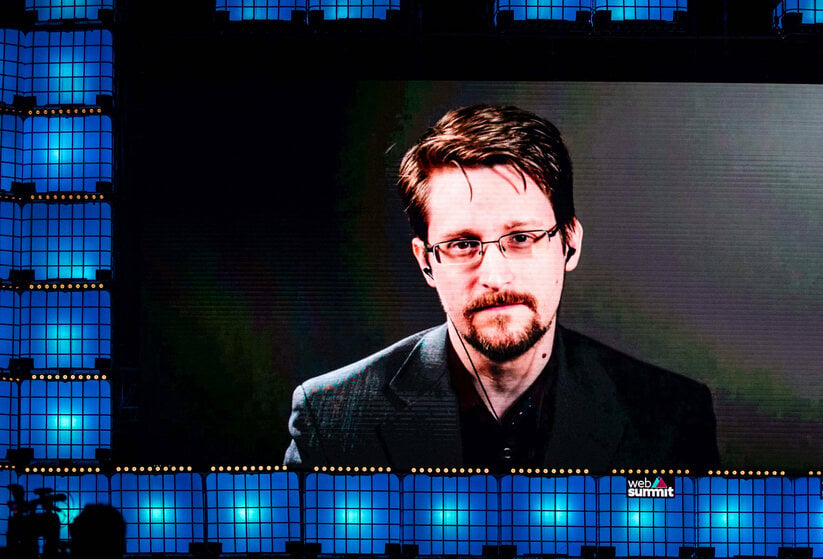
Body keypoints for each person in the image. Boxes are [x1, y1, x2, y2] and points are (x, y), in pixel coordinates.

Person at [284, 103, 719, 472]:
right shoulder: (332, 416)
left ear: (569, 243)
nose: (494, 274)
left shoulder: (671, 416)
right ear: (426, 262)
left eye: (522, 237)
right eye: (462, 244)